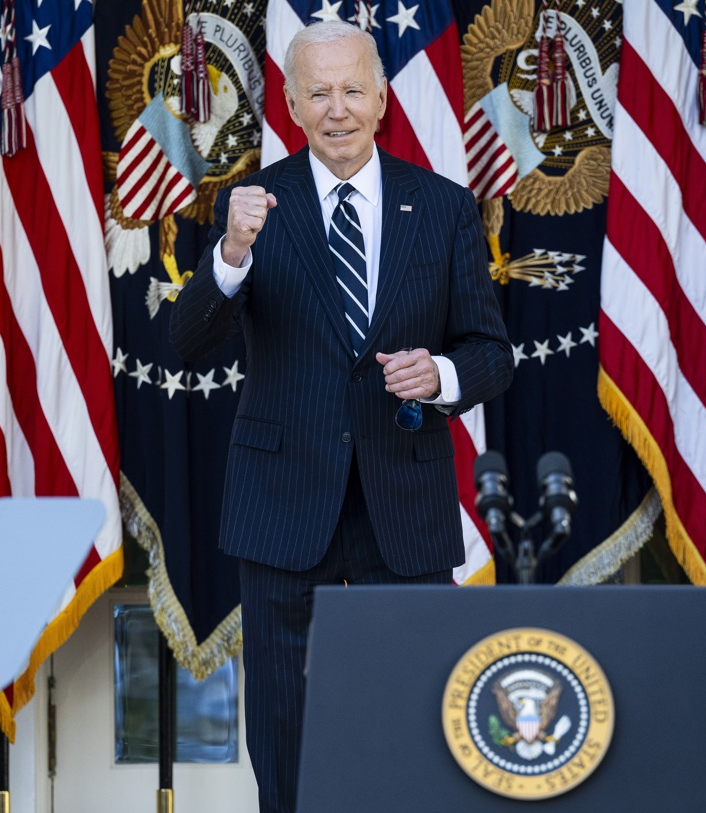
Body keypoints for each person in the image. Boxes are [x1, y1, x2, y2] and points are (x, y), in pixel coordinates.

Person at [170, 20, 513, 813]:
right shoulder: (252, 207)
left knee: (422, 711)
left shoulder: (446, 207)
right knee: (285, 731)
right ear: (289, 103)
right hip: (284, 501)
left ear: (382, 98)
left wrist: (441, 373)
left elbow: (491, 354)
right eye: (318, 92)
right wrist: (229, 255)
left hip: (406, 497)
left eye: (353, 89)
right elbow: (187, 344)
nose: (337, 109)